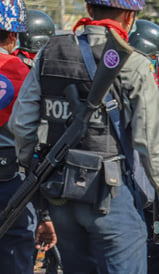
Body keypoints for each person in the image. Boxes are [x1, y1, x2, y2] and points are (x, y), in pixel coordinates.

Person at [9, 1, 159, 273]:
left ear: (89, 10)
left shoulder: (49, 52)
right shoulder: (134, 62)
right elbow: (149, 143)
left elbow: (21, 126)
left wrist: (37, 183)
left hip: (60, 194)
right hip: (110, 195)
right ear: (129, 16)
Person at [0, 1, 57, 273]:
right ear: (13, 35)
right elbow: (37, 135)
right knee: (16, 256)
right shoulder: (23, 72)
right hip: (13, 181)